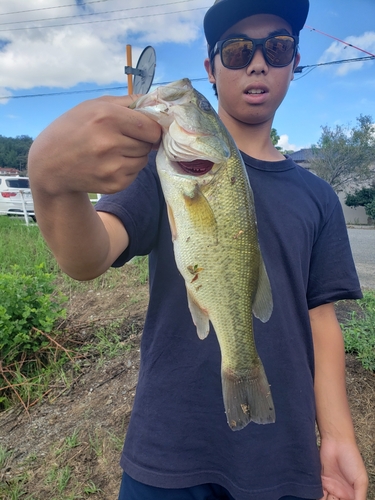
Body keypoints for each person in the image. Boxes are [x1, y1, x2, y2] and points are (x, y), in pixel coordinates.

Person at [28, 0, 369, 498]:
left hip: (284, 454)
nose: (257, 62)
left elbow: (321, 322)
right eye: (236, 51)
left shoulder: (318, 198)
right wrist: (52, 182)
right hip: (169, 445)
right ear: (211, 70)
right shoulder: (159, 168)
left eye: (276, 48)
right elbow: (88, 257)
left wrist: (338, 436)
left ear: (295, 62)